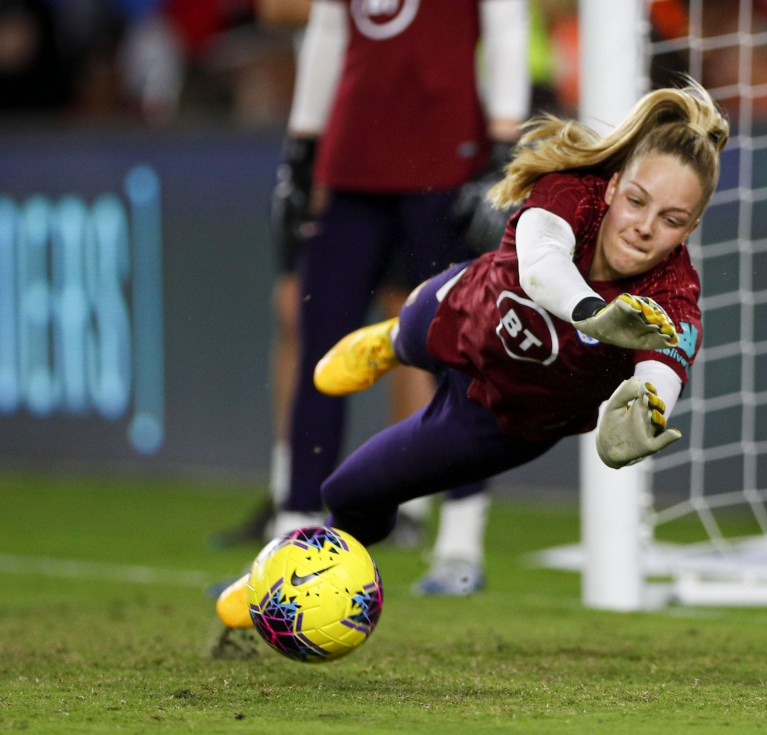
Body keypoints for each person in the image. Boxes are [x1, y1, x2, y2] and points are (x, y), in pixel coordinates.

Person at [216, 77, 729, 628]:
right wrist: (591, 313)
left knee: (350, 491)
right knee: (409, 328)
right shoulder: (570, 191)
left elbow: (663, 373)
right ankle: (385, 344)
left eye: (671, 220)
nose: (645, 227)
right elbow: (540, 269)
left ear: (690, 229)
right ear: (612, 187)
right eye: (636, 201)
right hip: (456, 310)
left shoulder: (674, 297)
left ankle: (279, 589)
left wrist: (640, 415)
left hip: (498, 418)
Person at [216, 0, 531, 597]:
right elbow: (330, 31)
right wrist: (303, 148)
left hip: (447, 156)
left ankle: (461, 545)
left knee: (462, 349)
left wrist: (501, 147)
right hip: (353, 160)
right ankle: (290, 541)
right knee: (320, 346)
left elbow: (506, 24)